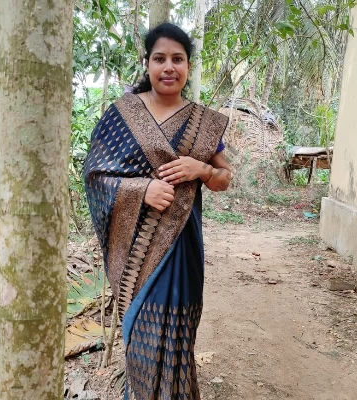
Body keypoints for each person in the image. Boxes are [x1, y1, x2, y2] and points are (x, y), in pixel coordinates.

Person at [84, 22, 231, 400]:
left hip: (183, 249)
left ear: (188, 66)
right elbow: (95, 177)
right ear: (147, 63)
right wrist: (141, 189)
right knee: (142, 341)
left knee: (178, 341)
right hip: (137, 254)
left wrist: (201, 169)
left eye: (177, 59)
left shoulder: (203, 122)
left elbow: (224, 179)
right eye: (160, 58)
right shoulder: (122, 115)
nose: (169, 67)